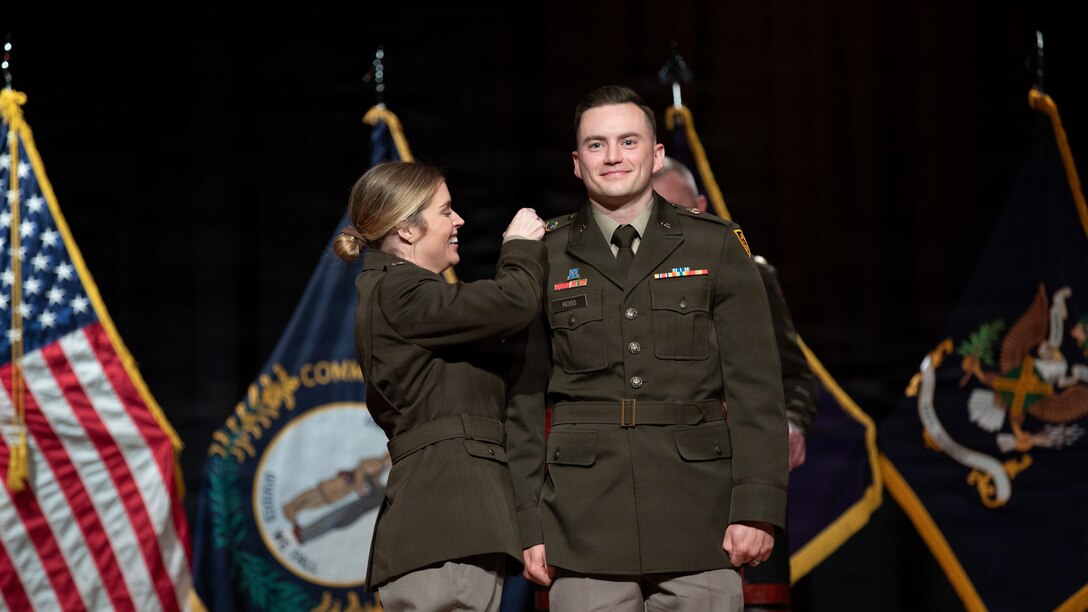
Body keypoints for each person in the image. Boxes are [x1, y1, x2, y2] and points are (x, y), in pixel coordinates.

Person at [506, 85, 789, 612]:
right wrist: (526, 519)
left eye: (628, 141)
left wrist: (756, 505)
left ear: (655, 155)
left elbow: (757, 389)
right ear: (576, 162)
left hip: (700, 518)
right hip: (583, 523)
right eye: (596, 145)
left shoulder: (716, 245)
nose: (612, 157)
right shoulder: (544, 253)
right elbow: (522, 402)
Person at [333, 160, 548, 611]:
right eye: (445, 211)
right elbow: (512, 303)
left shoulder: (403, 292)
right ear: (407, 231)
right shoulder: (399, 291)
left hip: (456, 526)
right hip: (446, 525)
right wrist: (520, 248)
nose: (459, 221)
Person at [653, 156, 820, 610]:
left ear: (702, 205)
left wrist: (790, 422)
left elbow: (795, 374)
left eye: (680, 208)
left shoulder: (748, 272)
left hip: (735, 476)